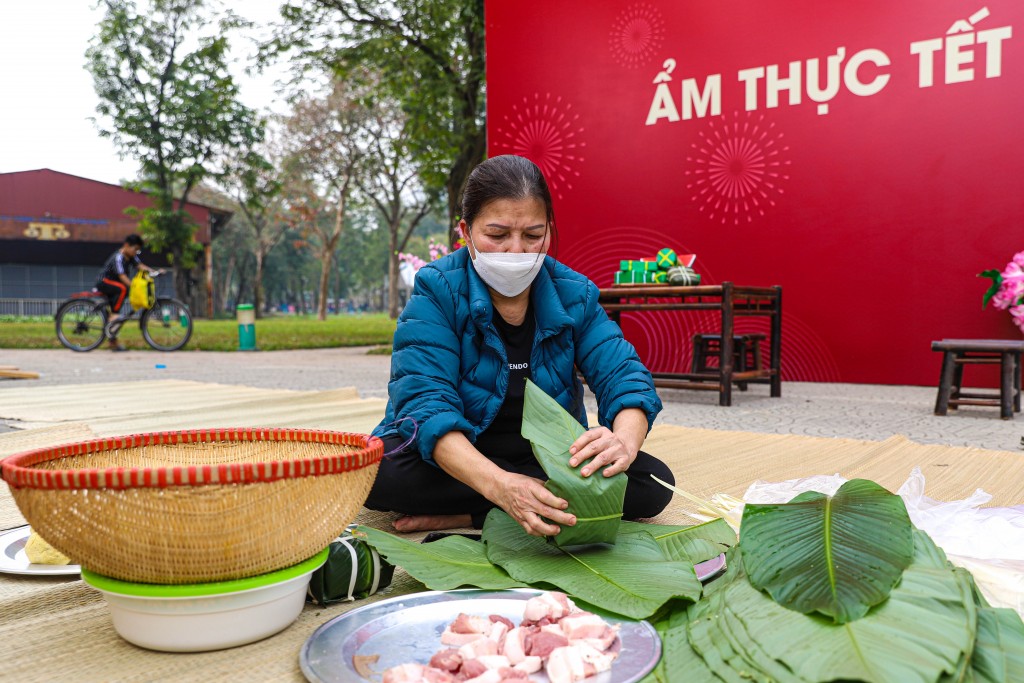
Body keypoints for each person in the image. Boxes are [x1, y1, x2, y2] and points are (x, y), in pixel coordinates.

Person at [366, 155, 675, 538]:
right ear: (466, 230)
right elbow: (427, 407)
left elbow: (624, 375)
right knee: (373, 473)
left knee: (655, 483)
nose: (516, 251)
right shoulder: (438, 289)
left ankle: (475, 515)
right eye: (497, 235)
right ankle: (514, 500)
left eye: (532, 235)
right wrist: (499, 485)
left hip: (544, 453)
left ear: (548, 229)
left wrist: (624, 443)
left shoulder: (573, 293)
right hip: (459, 454)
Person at [94, 234, 159, 351]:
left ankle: (113, 341)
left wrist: (154, 272)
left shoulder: (132, 257)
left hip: (115, 286)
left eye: (138, 250)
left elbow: (140, 266)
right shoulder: (118, 257)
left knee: (122, 293)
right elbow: (122, 276)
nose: (136, 252)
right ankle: (114, 315)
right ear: (127, 245)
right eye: (135, 249)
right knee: (123, 289)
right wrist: (134, 287)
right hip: (105, 282)